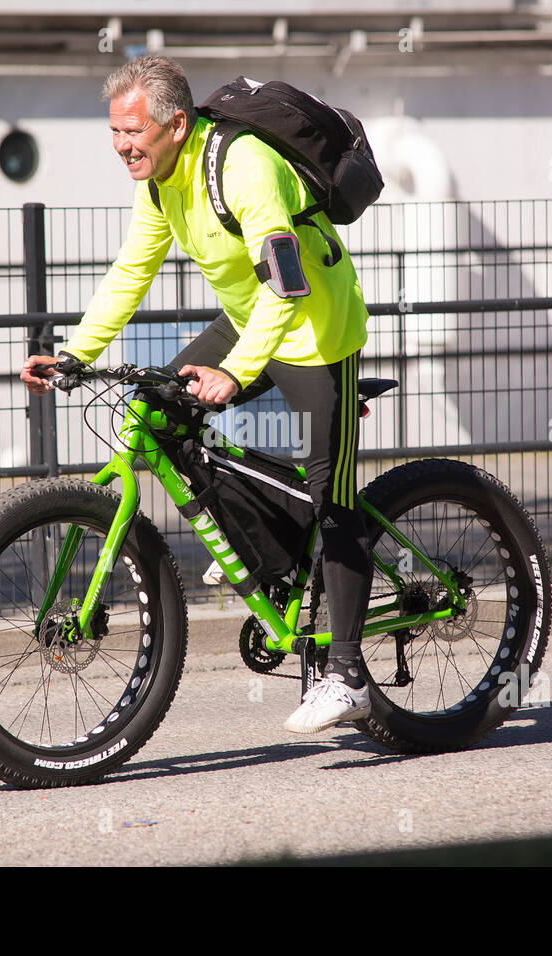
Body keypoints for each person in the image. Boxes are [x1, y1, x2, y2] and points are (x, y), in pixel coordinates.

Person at [20, 55, 374, 734]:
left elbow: (287, 282)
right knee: (162, 418)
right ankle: (269, 549)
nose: (122, 145)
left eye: (133, 131)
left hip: (315, 329)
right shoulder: (160, 181)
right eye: (115, 132)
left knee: (336, 496)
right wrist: (76, 355)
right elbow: (132, 269)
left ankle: (349, 674)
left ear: (176, 123)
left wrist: (237, 373)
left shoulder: (240, 167)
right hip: (247, 319)